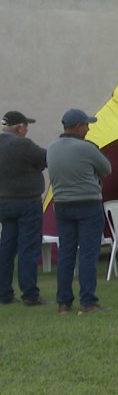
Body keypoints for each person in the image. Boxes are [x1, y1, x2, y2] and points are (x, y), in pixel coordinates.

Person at [47, 109, 111, 314]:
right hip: (88, 204)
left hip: (62, 205)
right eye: (86, 125)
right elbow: (107, 169)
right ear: (77, 127)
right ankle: (88, 302)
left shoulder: (52, 148)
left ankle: (63, 302)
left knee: (66, 253)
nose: (88, 128)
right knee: (88, 254)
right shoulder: (86, 148)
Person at [0, 110, 48, 306]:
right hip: (27, 202)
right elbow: (46, 158)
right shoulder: (23, 144)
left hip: (3, 202)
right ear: (19, 127)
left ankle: (3, 293)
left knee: (6, 248)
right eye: (26, 126)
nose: (27, 130)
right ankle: (29, 294)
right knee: (28, 248)